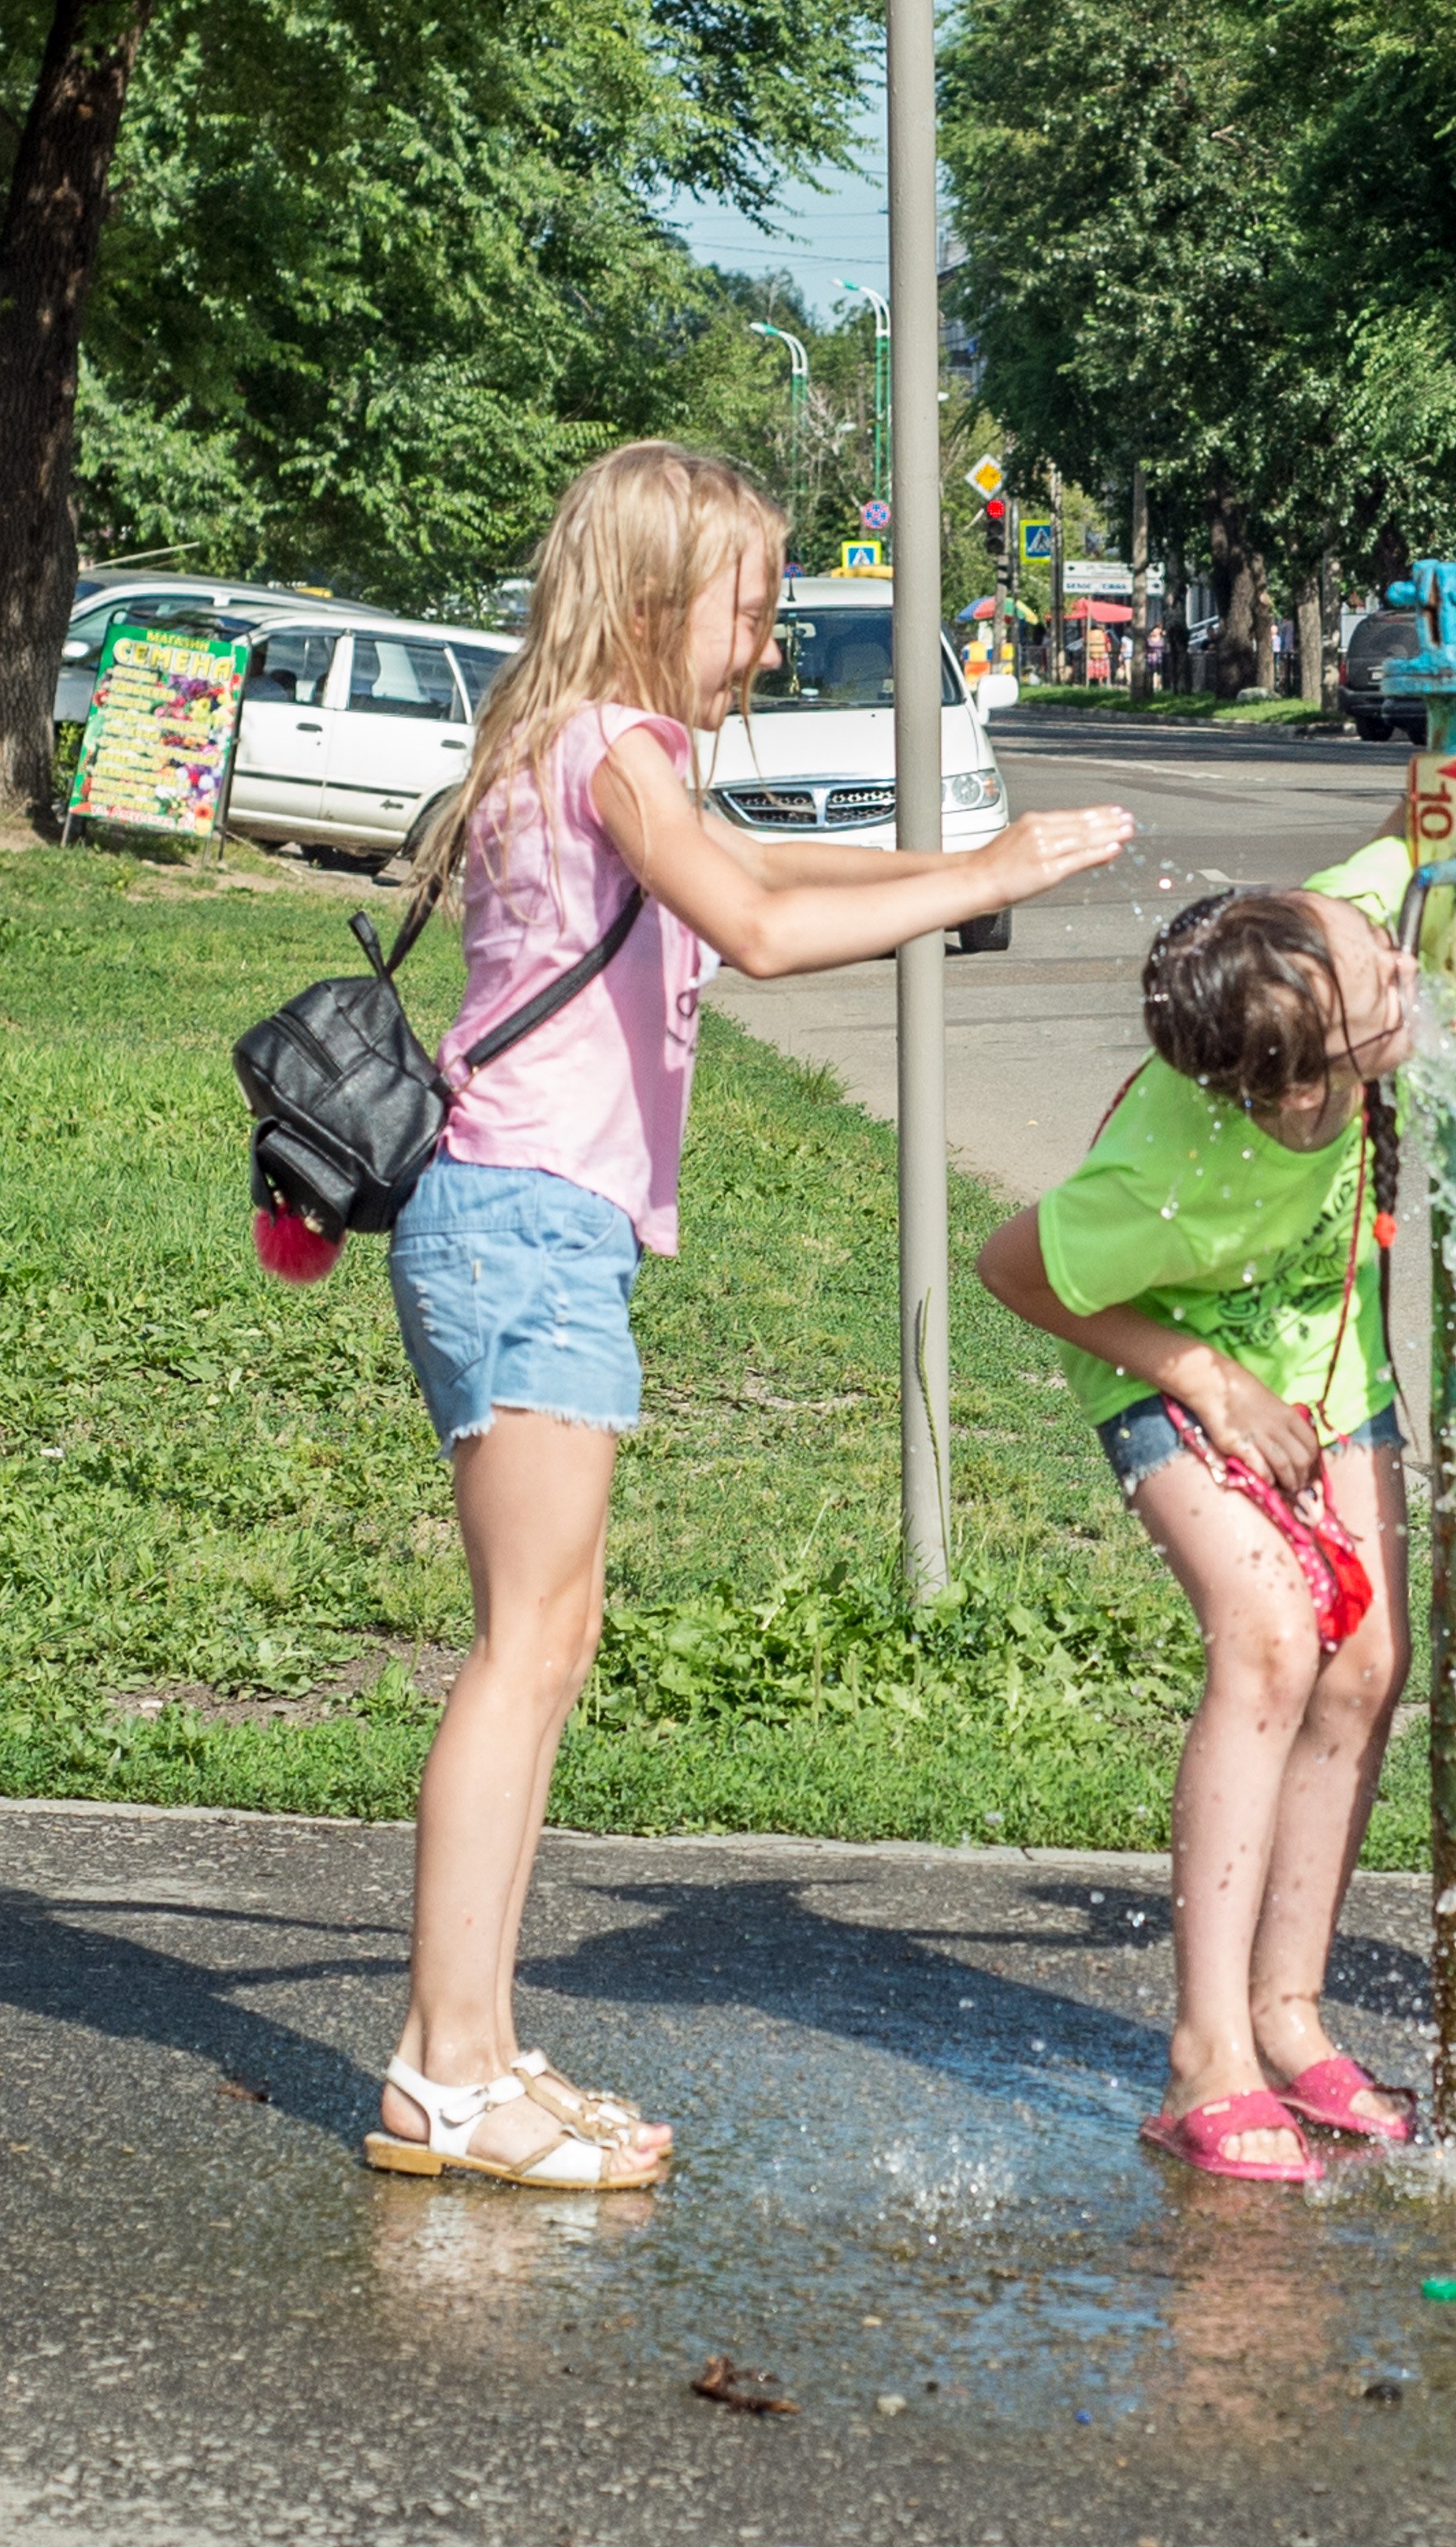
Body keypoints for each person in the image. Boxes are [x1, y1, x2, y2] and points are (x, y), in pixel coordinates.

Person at [362, 439, 1137, 2191]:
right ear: (650, 593)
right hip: (529, 1228)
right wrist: (993, 874)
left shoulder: (575, 744)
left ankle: (468, 2046)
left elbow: (773, 876)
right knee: (521, 1650)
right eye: (751, 603)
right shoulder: (616, 747)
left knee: (546, 1643)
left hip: (523, 1228)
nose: (769, 642)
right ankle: (443, 2069)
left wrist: (977, 855)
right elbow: (765, 927)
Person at [973, 847, 1424, 2185]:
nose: (1397, 962)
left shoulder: (1304, 931)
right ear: (1299, 1086)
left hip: (1324, 1360)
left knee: (1367, 1662)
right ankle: (1207, 2052)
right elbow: (1011, 1267)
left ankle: (1289, 2015)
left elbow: (1420, 821)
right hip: (1165, 1354)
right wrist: (1212, 1382)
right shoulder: (1165, 1176)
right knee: (1273, 1638)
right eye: (1377, 975)